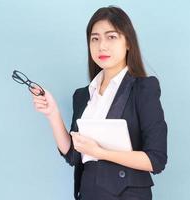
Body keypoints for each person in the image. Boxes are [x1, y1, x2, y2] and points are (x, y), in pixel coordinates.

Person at [31, 6, 167, 200]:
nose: (101, 45)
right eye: (95, 38)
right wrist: (52, 112)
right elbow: (73, 155)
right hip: (88, 193)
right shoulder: (82, 95)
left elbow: (156, 160)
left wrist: (100, 152)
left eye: (111, 37)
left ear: (128, 42)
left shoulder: (144, 89)